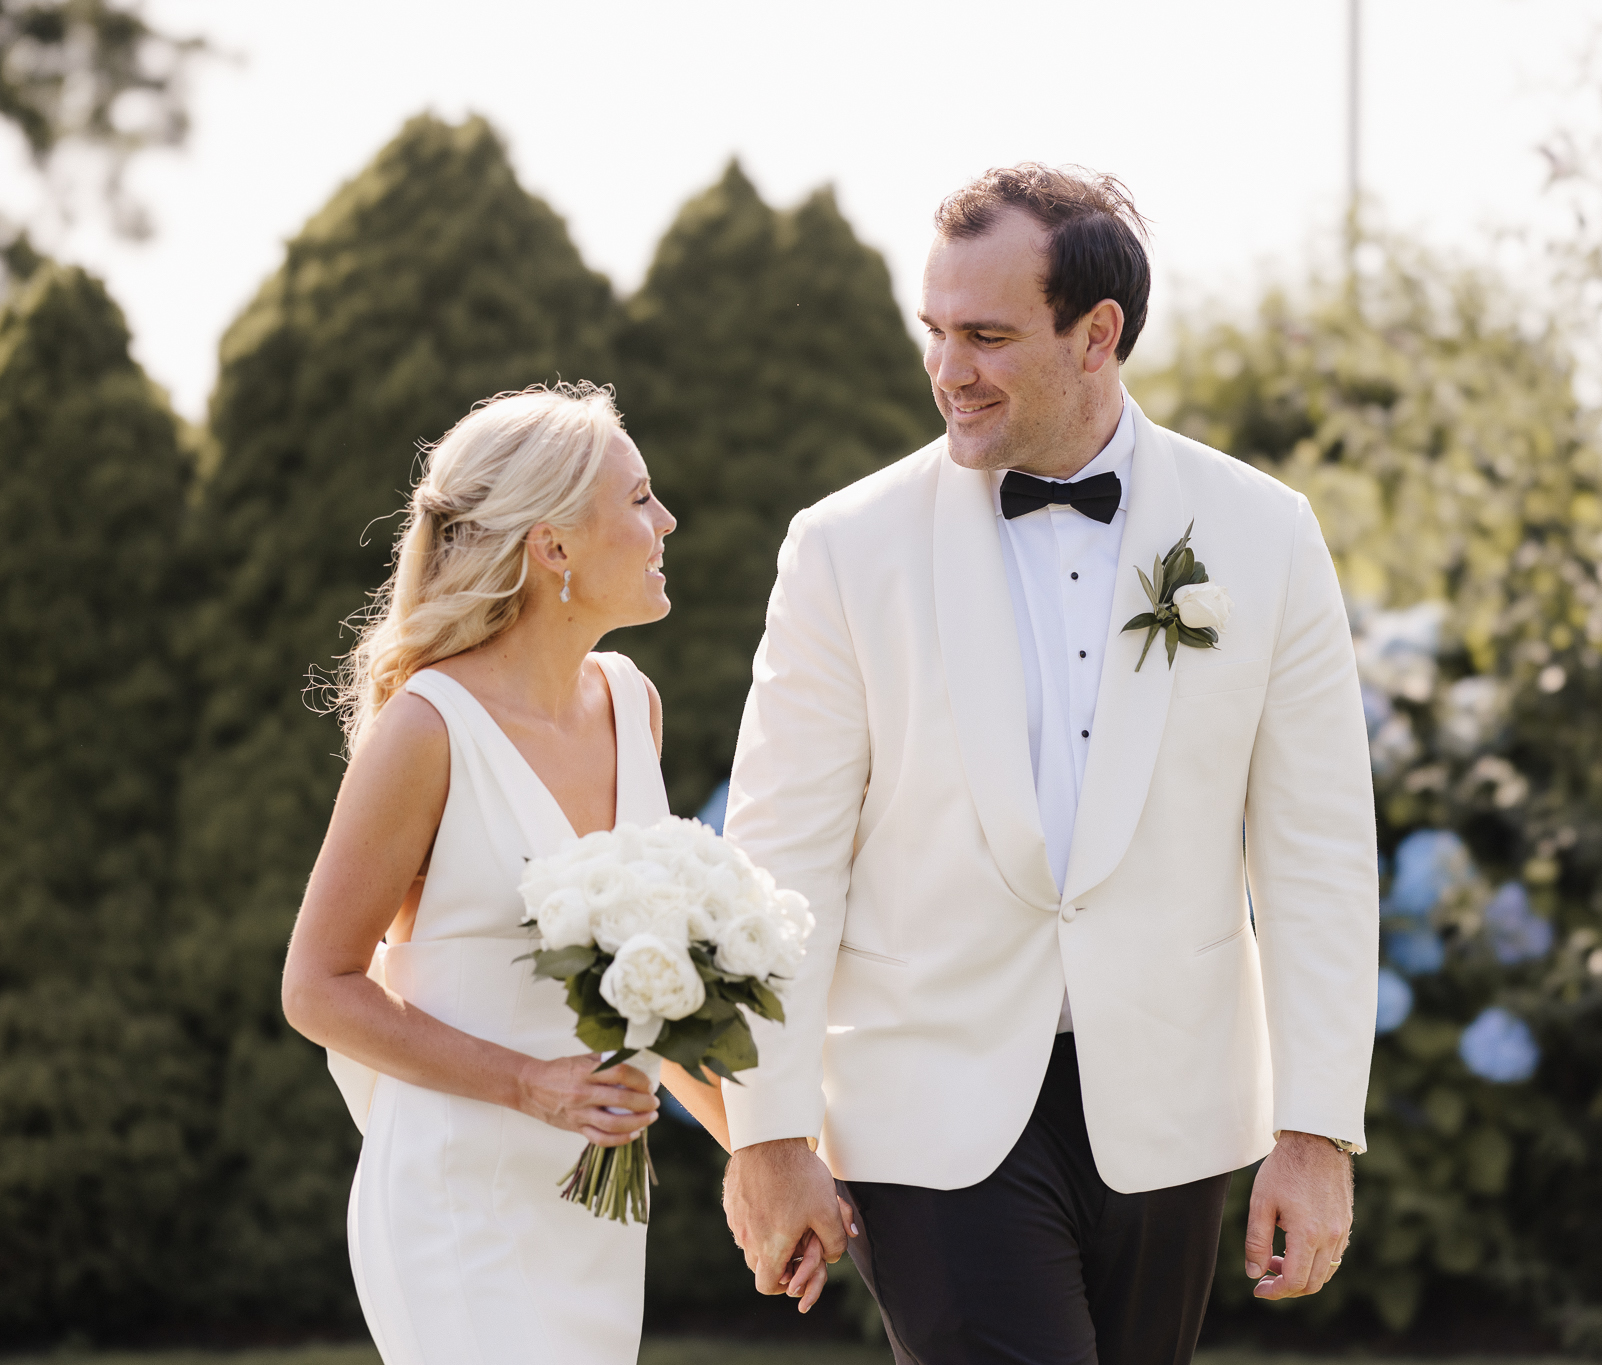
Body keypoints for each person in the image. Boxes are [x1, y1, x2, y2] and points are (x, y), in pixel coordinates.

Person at [719, 166, 1380, 1363]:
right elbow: (778, 858)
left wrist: (1316, 1130)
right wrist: (763, 1131)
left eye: (984, 335)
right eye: (935, 331)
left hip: (1167, 1108)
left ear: (1097, 336)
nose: (946, 367)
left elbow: (1317, 849)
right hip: (924, 1107)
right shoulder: (842, 549)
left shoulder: (1263, 533)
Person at [281, 382, 734, 1365]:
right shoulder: (426, 728)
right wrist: (531, 1085)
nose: (665, 520)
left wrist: (773, 1155)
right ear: (553, 547)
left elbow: (651, 995)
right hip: (458, 1207)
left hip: (594, 1210)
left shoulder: (631, 704)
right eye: (639, 497)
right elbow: (316, 988)